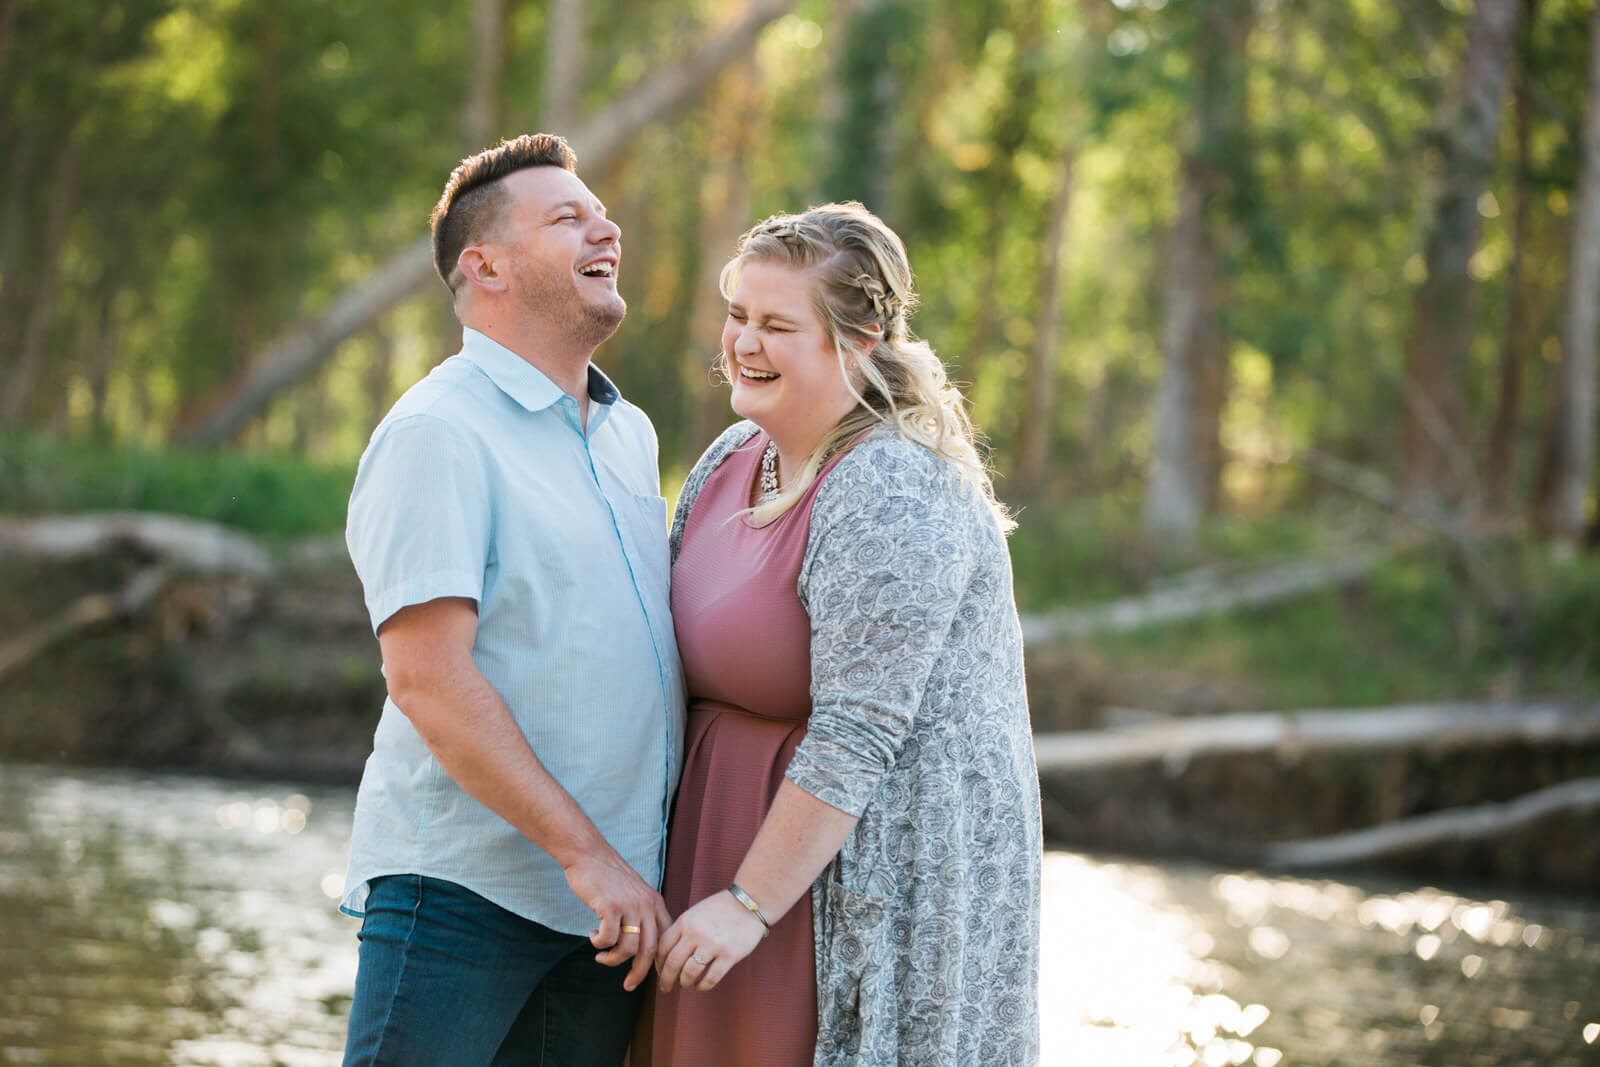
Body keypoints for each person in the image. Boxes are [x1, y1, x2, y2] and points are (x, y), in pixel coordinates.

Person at [632, 203, 1041, 1066]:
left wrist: (747, 903)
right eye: (739, 314)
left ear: (860, 338)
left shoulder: (890, 487)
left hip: (821, 902)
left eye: (778, 324)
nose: (743, 341)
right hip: (708, 876)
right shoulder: (731, 457)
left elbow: (857, 732)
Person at [338, 133, 684, 1066]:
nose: (605, 224)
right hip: (464, 897)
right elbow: (429, 681)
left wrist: (616, 868)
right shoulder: (435, 432)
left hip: (609, 918)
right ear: (484, 266)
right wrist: (586, 855)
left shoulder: (629, 435)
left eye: (600, 211)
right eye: (567, 215)